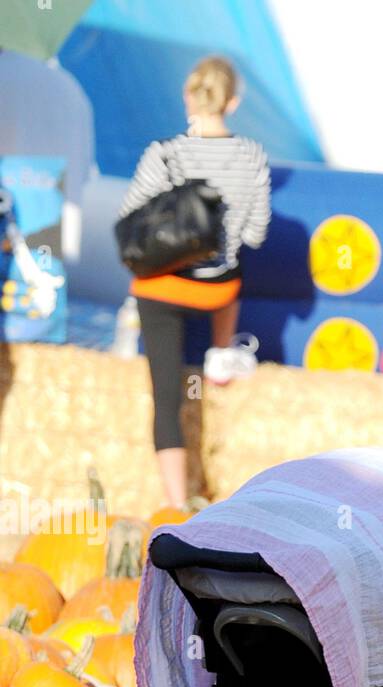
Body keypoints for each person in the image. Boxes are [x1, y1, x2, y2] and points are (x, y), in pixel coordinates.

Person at [117, 56, 271, 509]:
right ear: (233, 101)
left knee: (167, 398)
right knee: (232, 273)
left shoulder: (164, 153)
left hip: (162, 288)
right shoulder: (253, 156)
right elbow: (255, 235)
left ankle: (175, 502)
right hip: (216, 289)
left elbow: (130, 220)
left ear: (188, 96)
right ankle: (220, 354)